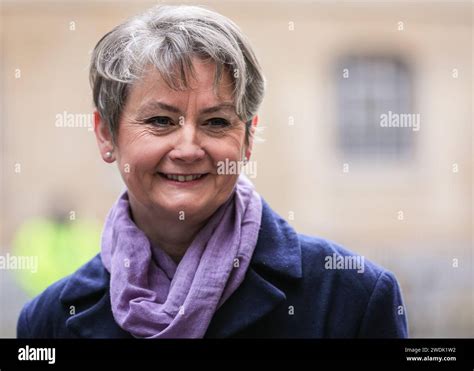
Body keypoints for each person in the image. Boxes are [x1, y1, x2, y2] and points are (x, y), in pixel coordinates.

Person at [17, 4, 408, 338]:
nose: (188, 148)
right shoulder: (47, 323)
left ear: (248, 139)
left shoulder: (351, 297)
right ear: (107, 135)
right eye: (160, 120)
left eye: (217, 122)